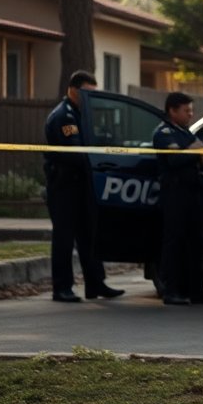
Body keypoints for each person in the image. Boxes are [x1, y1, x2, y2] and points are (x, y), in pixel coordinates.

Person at [43, 69, 124, 302]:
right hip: (64, 187)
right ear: (73, 90)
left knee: (89, 236)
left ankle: (96, 284)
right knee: (64, 240)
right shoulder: (64, 117)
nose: (91, 98)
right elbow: (75, 153)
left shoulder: (82, 113)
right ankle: (62, 288)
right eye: (87, 93)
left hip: (81, 186)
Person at [152, 91, 203, 306]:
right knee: (173, 243)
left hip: (192, 193)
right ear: (172, 111)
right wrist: (193, 150)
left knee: (194, 243)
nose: (191, 115)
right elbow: (175, 161)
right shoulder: (164, 133)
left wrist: (195, 151)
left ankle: (196, 289)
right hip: (174, 195)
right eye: (186, 111)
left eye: (191, 110)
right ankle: (171, 290)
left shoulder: (185, 133)